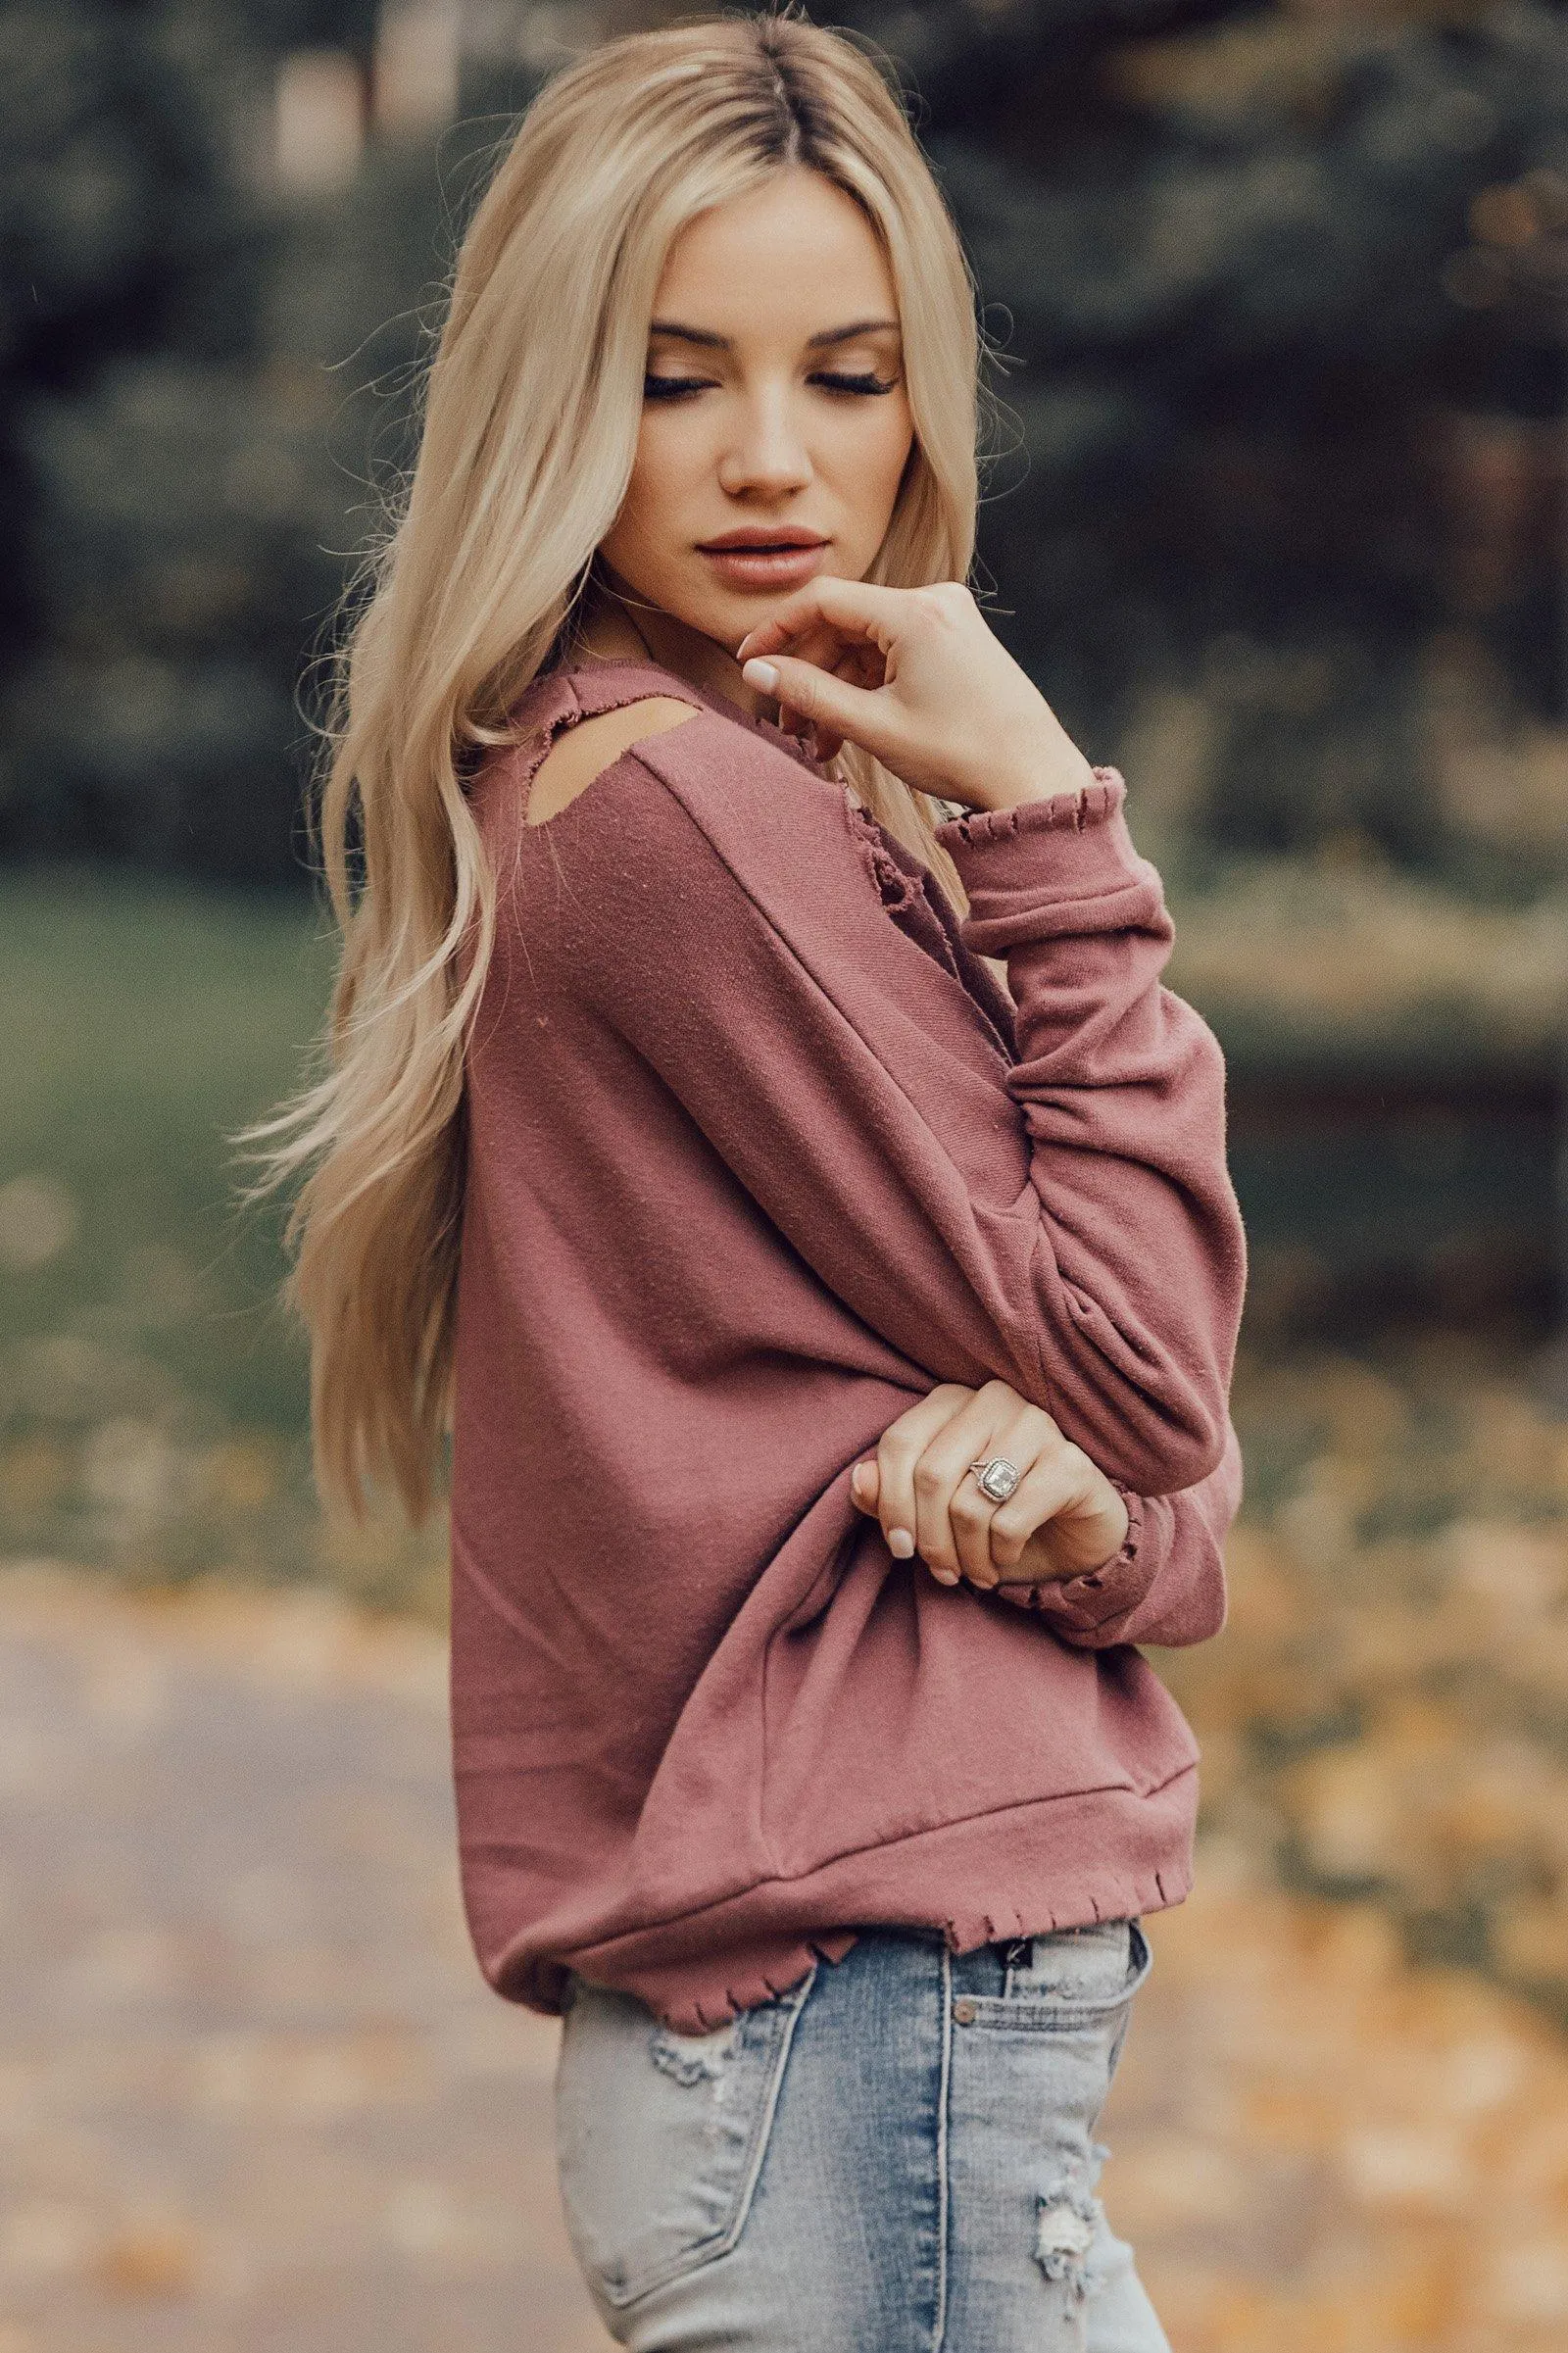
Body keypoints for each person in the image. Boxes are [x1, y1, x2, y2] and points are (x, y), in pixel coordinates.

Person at [252, 12, 1247, 2347]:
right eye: (678, 378)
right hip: (862, 2027)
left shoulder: (646, 775)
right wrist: (1050, 823)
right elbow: (1138, 1355)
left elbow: (1137, 1463)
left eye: (847, 374)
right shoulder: (688, 814)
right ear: (550, 397)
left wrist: (1102, 1524)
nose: (771, 463)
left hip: (835, 2040)